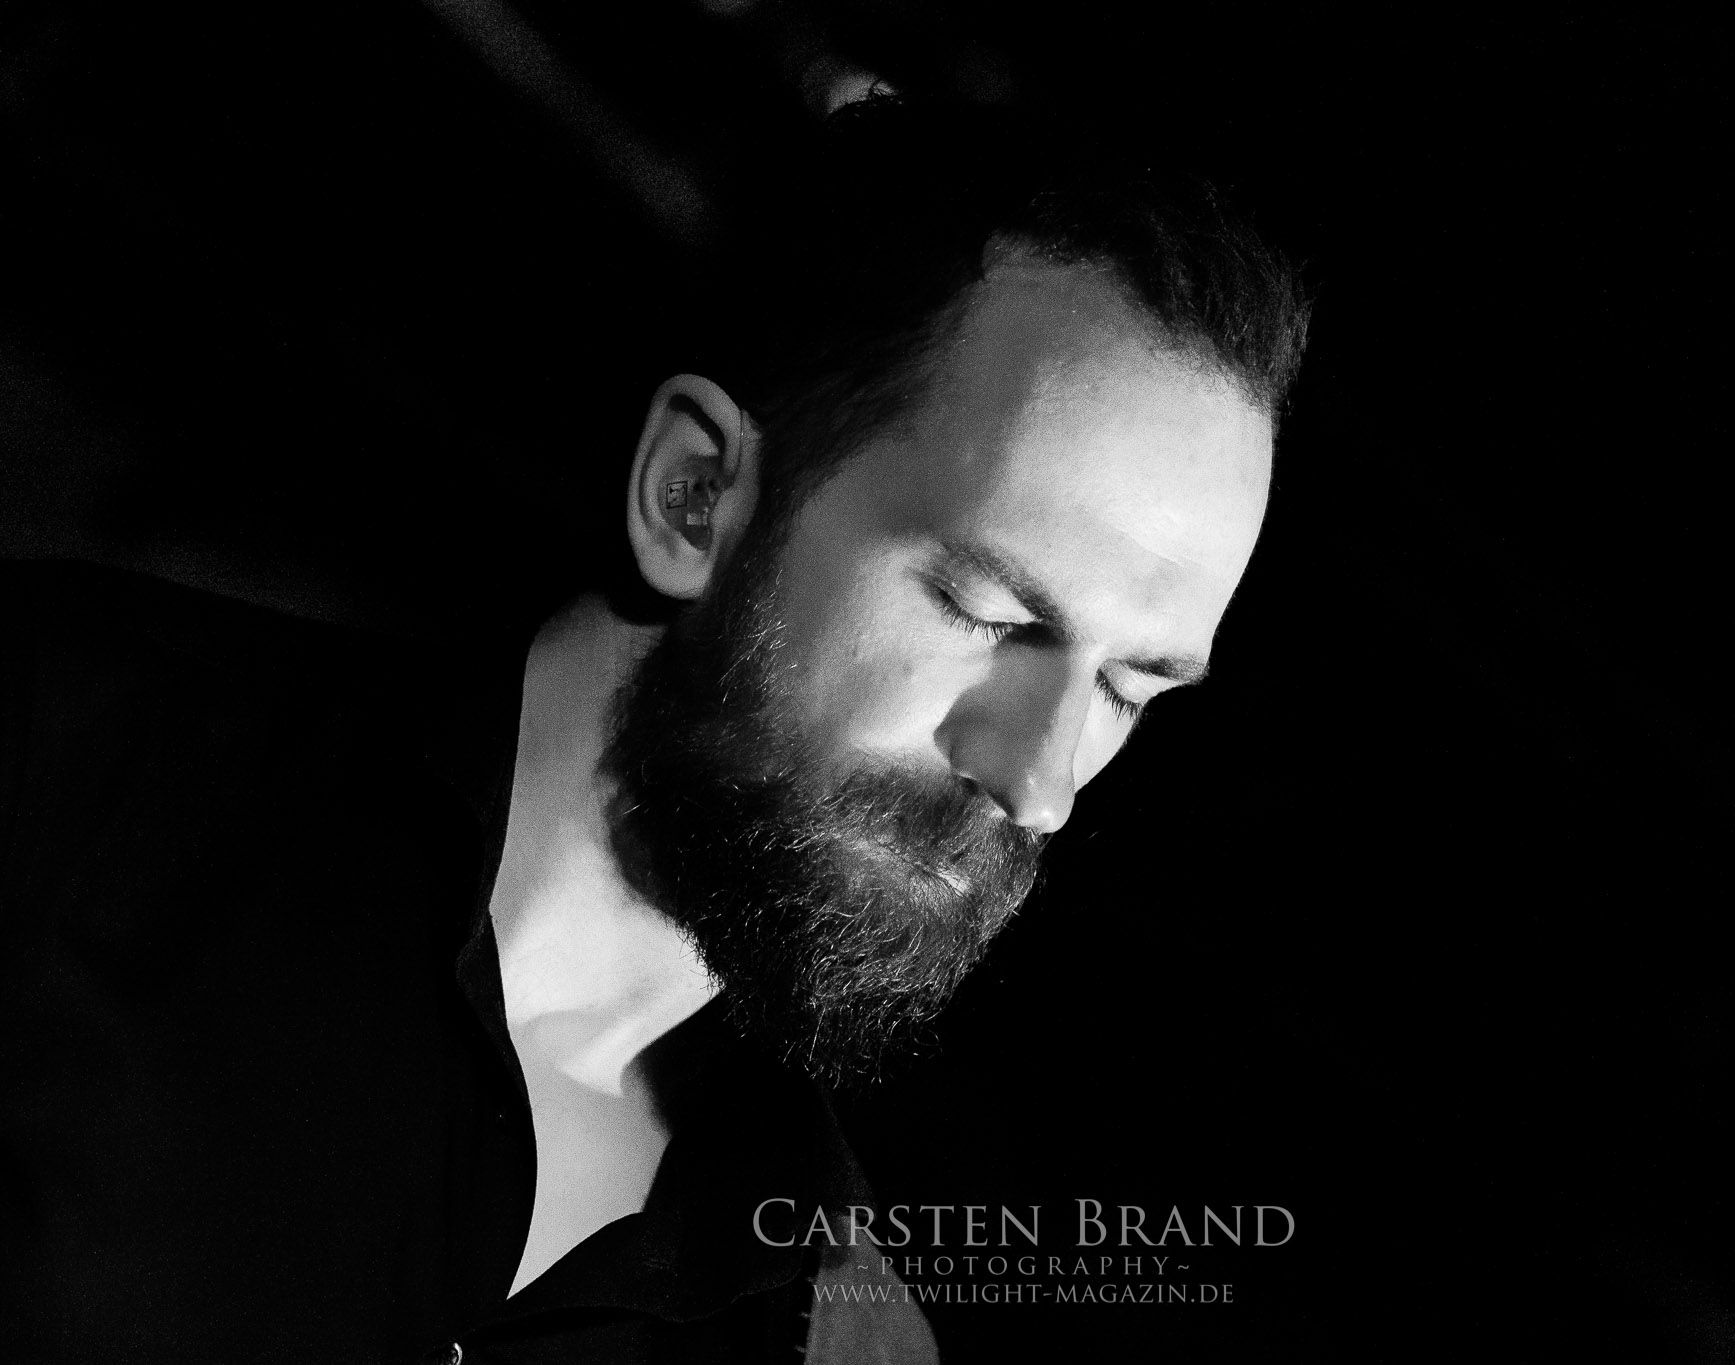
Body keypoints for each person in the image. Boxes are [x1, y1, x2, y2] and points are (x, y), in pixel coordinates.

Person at [0, 96, 1308, 1363]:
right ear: (696, 497)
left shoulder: (847, 1339)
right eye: (988, 610)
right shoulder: (70, 744)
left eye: (1130, 689)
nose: (1041, 783)